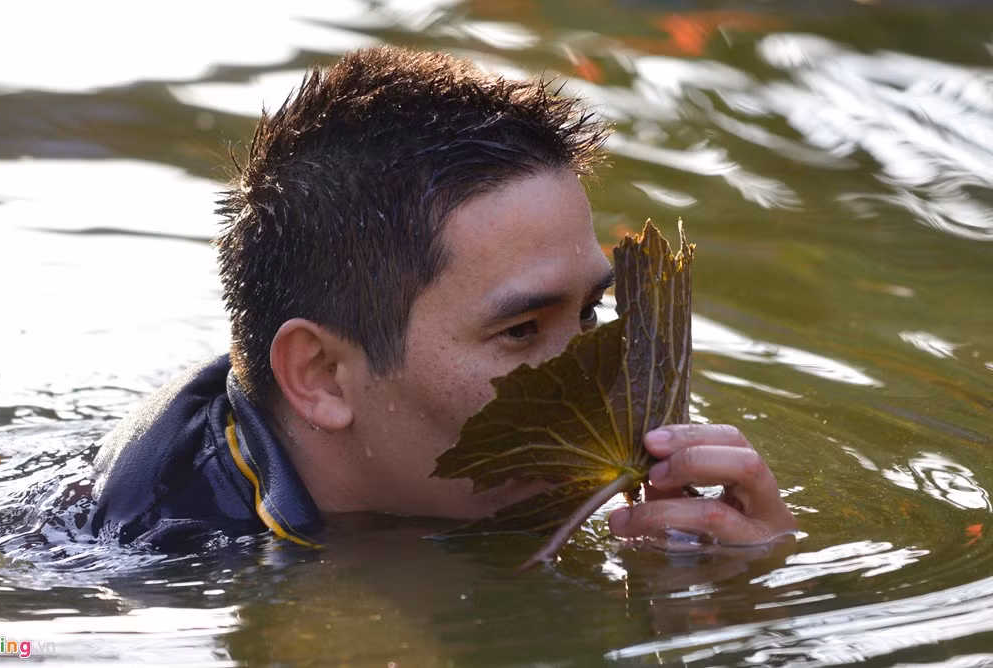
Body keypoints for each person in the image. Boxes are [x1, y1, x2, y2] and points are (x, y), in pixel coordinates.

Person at [88, 46, 795, 552]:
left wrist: (738, 593)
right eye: (520, 332)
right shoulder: (151, 582)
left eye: (590, 314)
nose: (604, 383)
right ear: (322, 375)